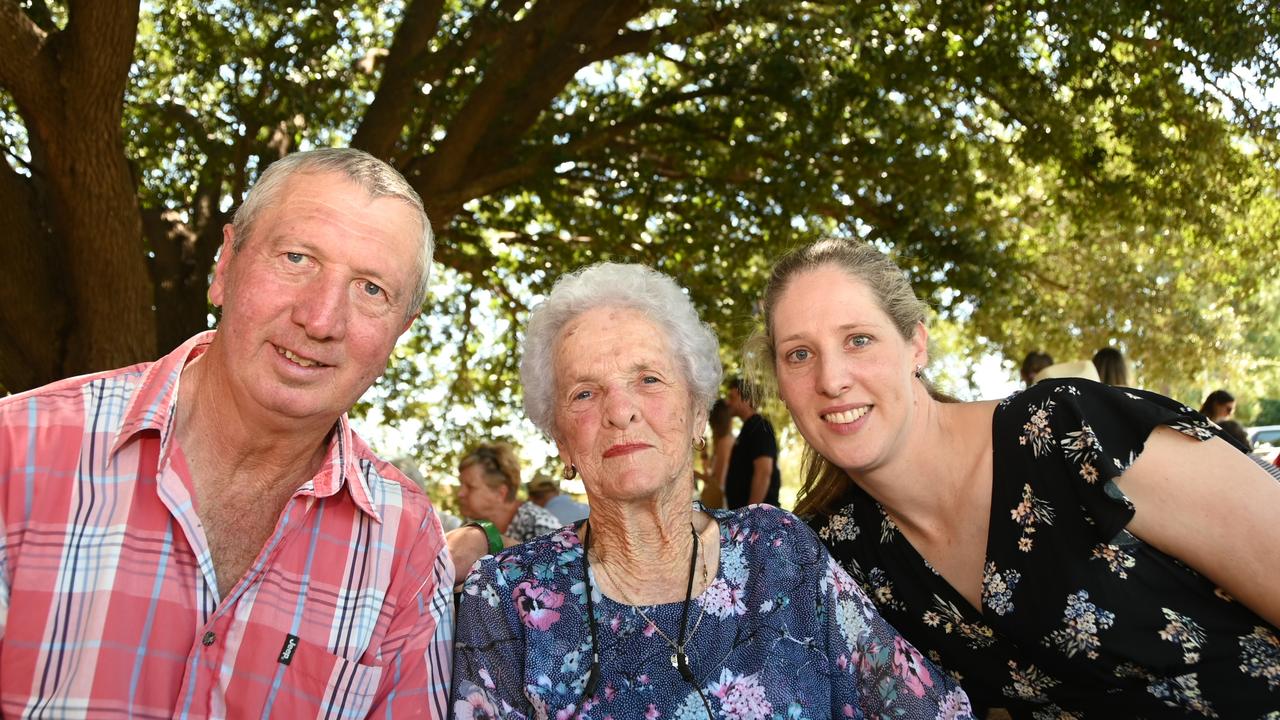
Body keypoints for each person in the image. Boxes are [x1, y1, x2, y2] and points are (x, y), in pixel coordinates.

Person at [0, 149, 454, 717]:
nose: (320, 320)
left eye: (370, 290)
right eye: (296, 257)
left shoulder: (406, 547)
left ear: (398, 334)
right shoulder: (17, 451)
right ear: (224, 267)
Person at [746, 238, 1280, 718]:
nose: (832, 379)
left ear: (916, 345)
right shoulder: (838, 555)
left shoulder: (1071, 432)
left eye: (858, 340)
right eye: (799, 354)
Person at [450, 263, 972, 719]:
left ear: (699, 413)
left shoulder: (779, 552)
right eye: (585, 393)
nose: (619, 410)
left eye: (649, 379)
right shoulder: (504, 598)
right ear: (561, 439)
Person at [457, 441, 563, 543]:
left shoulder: (540, 526)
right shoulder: (471, 522)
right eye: (461, 484)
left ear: (500, 493)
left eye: (470, 487)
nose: (460, 493)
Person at [723, 376, 782, 509]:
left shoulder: (759, 426)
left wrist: (750, 515)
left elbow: (763, 471)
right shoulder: (747, 428)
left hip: (759, 520)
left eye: (732, 397)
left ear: (746, 399)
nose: (728, 403)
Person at [696, 398, 733, 509]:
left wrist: (695, 475)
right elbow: (711, 474)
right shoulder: (722, 442)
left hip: (721, 505)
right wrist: (704, 453)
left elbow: (718, 483)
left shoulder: (725, 442)